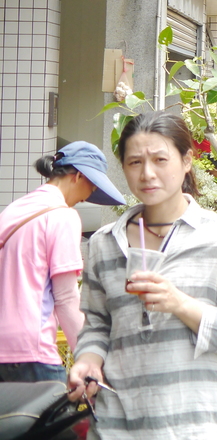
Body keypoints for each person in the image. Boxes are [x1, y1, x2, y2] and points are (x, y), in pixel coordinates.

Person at [68, 110, 217, 439]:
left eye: (160, 159)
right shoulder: (104, 243)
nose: (147, 174)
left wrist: (180, 303)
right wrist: (88, 359)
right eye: (134, 163)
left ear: (186, 161)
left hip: (202, 425)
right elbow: (97, 324)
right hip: (122, 426)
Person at [0, 143, 125, 382]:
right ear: (78, 175)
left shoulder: (13, 211)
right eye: (93, 186)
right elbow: (66, 297)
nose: (88, 196)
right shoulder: (62, 216)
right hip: (31, 349)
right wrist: (86, 358)